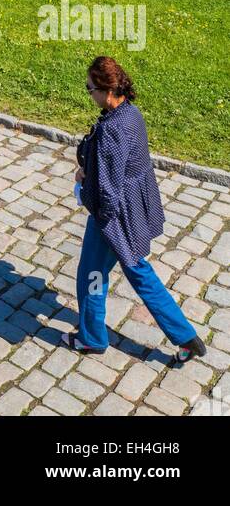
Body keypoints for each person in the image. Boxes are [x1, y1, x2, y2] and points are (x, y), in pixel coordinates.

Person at [66, 55, 206, 366]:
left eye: (90, 89)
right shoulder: (131, 114)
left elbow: (108, 191)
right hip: (134, 212)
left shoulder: (111, 130)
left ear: (106, 90)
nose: (88, 94)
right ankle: (186, 336)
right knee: (140, 273)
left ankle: (91, 339)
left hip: (112, 219)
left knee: (91, 274)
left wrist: (83, 184)